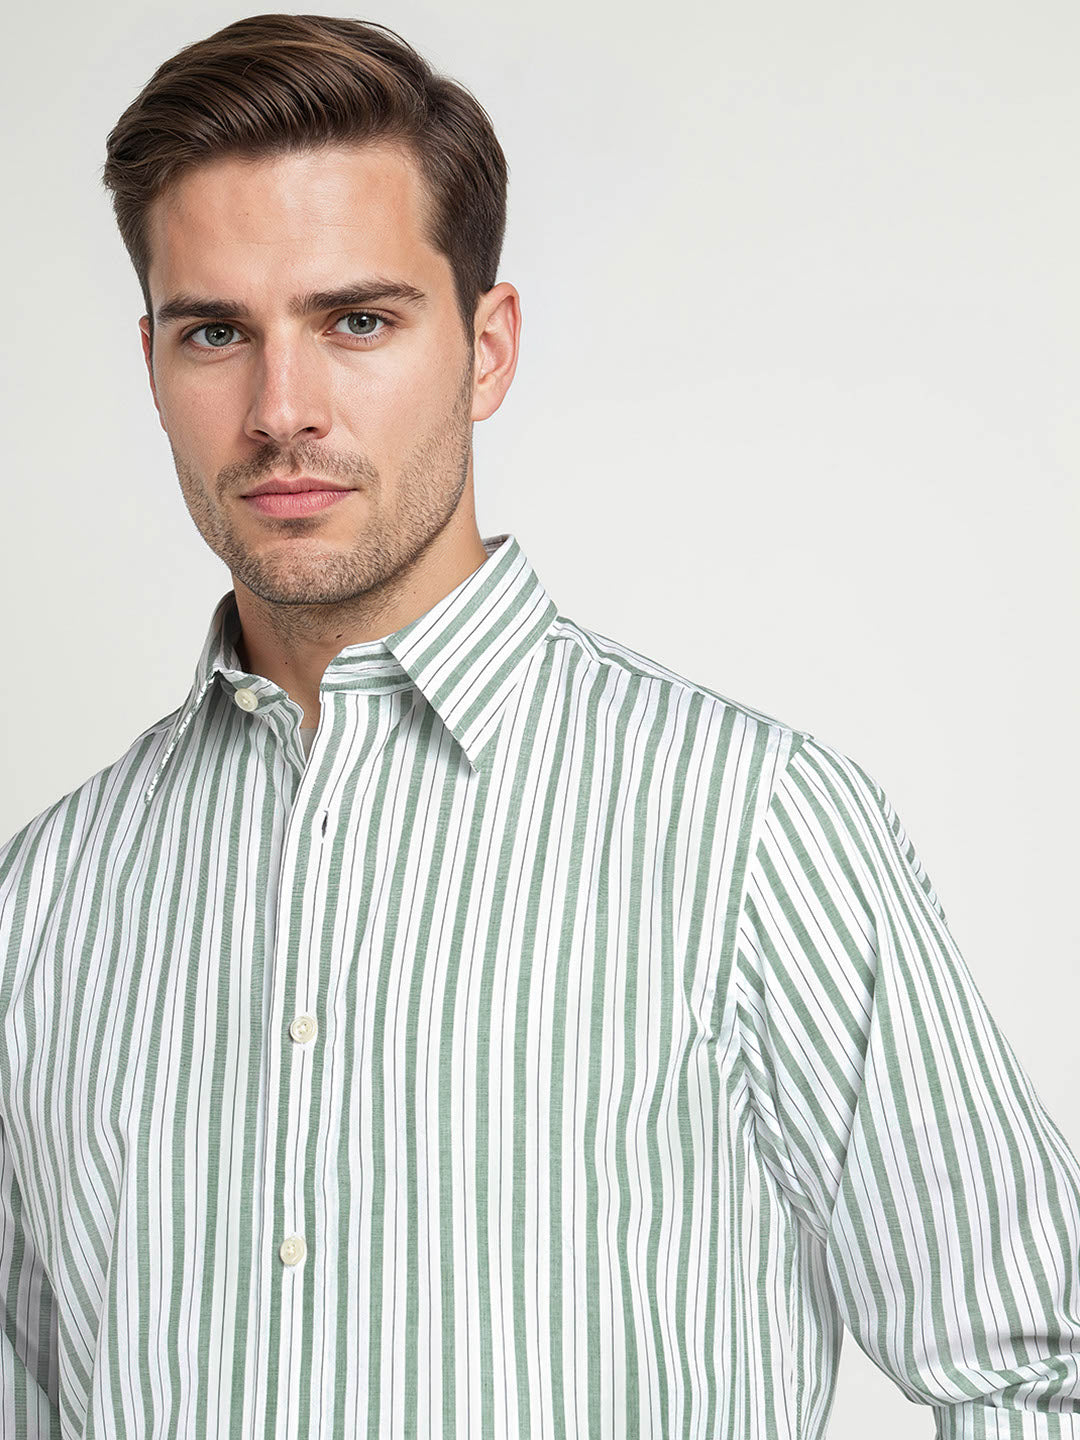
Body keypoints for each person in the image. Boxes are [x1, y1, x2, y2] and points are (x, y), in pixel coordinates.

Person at [1, 13, 1077, 1438]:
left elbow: (1030, 1369)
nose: (280, 410)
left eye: (357, 321)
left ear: (487, 349)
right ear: (151, 364)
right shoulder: (50, 895)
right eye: (217, 333)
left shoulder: (750, 829)